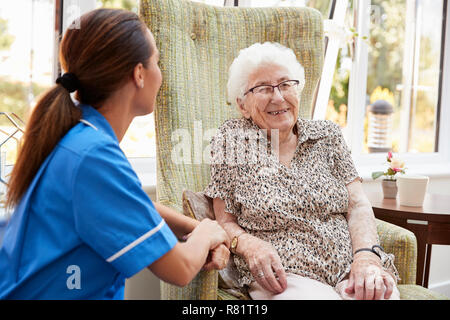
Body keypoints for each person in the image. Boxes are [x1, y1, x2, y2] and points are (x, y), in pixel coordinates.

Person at [0, 8, 229, 300]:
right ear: (139, 74)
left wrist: (195, 227)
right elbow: (181, 268)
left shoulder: (78, 139)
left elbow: (129, 202)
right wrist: (209, 233)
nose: (161, 73)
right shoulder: (95, 158)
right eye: (157, 62)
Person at [204, 42, 400, 300]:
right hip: (286, 275)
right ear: (243, 105)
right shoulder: (231, 140)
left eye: (286, 84)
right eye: (263, 88)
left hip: (350, 267)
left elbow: (358, 206)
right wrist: (249, 245)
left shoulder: (327, 135)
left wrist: (365, 257)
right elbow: (224, 220)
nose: (278, 97)